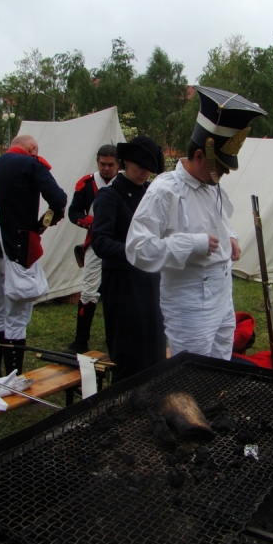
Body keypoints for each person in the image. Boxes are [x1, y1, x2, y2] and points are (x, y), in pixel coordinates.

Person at [126, 86, 266, 361]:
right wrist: (191, 244)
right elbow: (137, 248)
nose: (224, 173)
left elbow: (219, 220)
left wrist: (231, 237)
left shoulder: (210, 183)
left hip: (222, 293)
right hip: (190, 301)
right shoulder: (164, 190)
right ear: (200, 155)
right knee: (194, 371)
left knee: (220, 366)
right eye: (221, 167)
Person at [0, 134, 67, 378]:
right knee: (16, 318)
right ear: (32, 148)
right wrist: (42, 224)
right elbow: (58, 199)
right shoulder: (31, 164)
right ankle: (12, 379)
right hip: (16, 248)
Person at [91, 135, 166, 383]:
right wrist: (137, 251)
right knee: (129, 348)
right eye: (140, 167)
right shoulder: (110, 196)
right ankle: (126, 396)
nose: (145, 173)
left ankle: (152, 392)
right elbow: (100, 242)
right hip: (122, 283)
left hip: (150, 279)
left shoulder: (151, 192)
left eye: (149, 169)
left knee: (154, 343)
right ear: (126, 163)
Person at [67, 144, 119, 352]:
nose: (106, 168)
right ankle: (81, 340)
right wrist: (94, 223)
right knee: (89, 290)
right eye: (102, 164)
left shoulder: (124, 183)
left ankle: (115, 337)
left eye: (110, 164)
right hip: (96, 242)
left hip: (120, 244)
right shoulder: (87, 185)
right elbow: (73, 212)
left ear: (118, 164)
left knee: (117, 292)